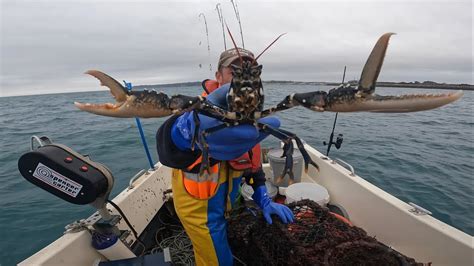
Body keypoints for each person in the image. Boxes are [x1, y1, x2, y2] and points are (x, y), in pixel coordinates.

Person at [156, 47, 294, 265]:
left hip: (231, 205)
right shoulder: (196, 110)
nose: (244, 77)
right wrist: (180, 133)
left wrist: (262, 194)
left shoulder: (253, 114)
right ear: (218, 77)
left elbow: (252, 159)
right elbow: (167, 149)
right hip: (201, 214)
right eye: (235, 70)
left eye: (253, 72)